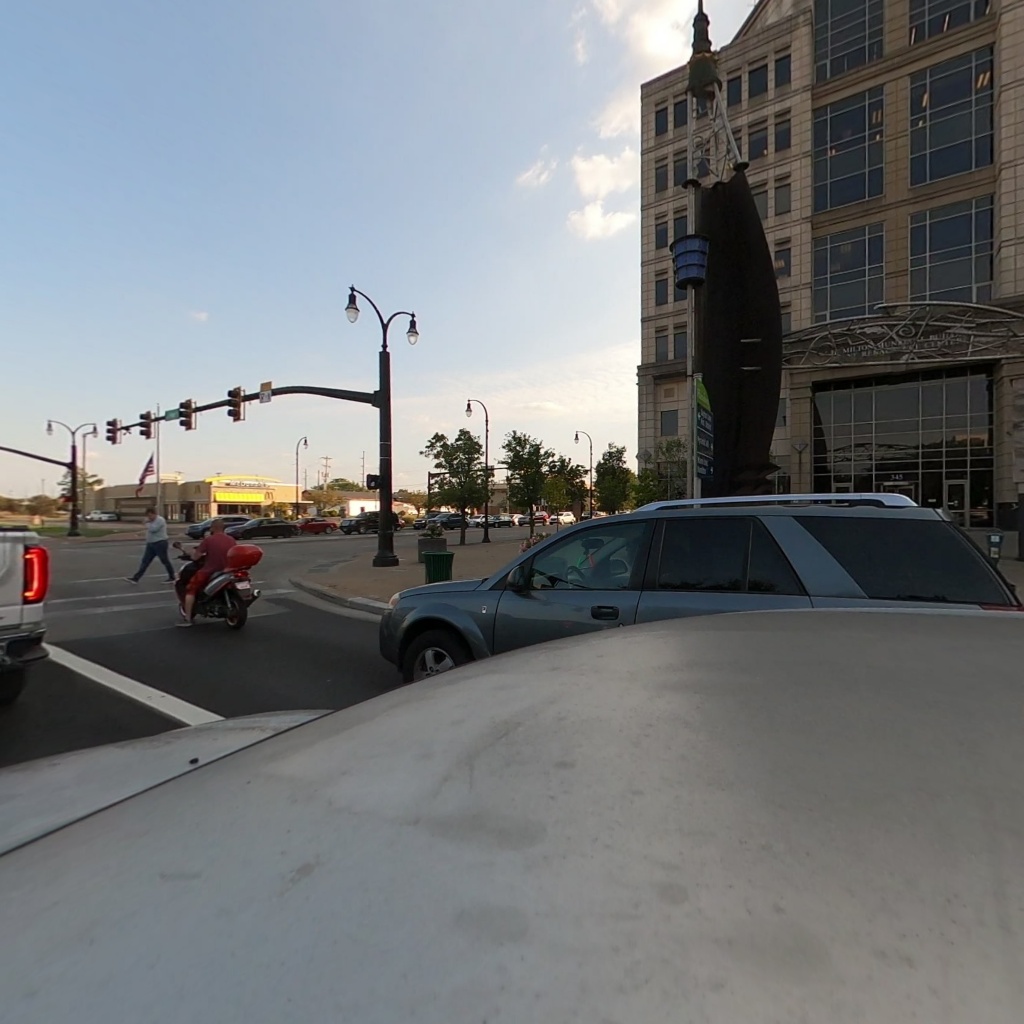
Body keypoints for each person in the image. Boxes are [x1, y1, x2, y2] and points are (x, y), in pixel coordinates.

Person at [178, 518, 237, 627]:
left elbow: (196, 557)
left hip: (210, 570)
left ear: (213, 528)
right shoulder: (231, 540)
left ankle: (188, 619)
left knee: (191, 590)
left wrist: (191, 554)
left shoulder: (209, 540)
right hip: (228, 570)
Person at [124, 508, 176, 584]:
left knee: (164, 560)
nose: (149, 517)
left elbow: (153, 529)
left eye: (150, 515)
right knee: (145, 561)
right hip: (151, 544)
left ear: (154, 514)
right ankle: (136, 578)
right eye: (148, 516)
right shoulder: (150, 521)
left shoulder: (160, 520)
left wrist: (147, 523)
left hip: (160, 543)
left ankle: (172, 577)